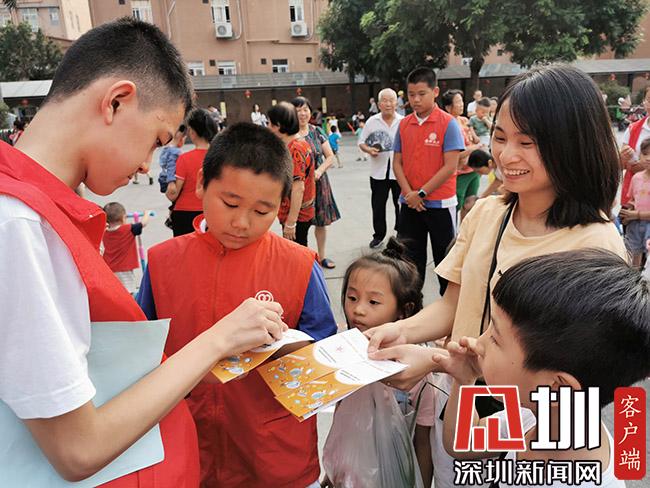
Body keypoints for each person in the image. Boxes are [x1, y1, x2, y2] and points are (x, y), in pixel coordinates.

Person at [0, 17, 287, 486]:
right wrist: (220, 338)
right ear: (116, 101)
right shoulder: (19, 225)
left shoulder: (37, 213)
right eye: (156, 140)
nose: (144, 167)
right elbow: (78, 448)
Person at [366, 65, 625, 488]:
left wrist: (435, 363)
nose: (506, 156)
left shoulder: (594, 247)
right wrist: (398, 332)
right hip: (463, 403)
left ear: (573, 147)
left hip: (538, 434)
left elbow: (576, 382)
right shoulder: (488, 214)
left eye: (528, 143)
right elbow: (454, 303)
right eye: (501, 137)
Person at [137, 122, 338, 488]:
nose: (242, 222)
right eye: (229, 203)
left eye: (262, 212)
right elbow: (139, 352)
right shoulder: (163, 262)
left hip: (271, 450)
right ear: (201, 184)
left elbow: (322, 354)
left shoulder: (299, 264)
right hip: (187, 445)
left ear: (281, 206)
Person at [433, 249, 650, 488]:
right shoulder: (535, 416)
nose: (478, 344)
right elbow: (462, 444)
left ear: (556, 387)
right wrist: (464, 381)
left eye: (495, 337)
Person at [322, 237, 435, 488]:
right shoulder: (343, 352)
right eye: (352, 298)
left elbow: (423, 441)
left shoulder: (416, 372)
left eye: (373, 302)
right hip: (348, 476)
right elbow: (342, 421)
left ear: (403, 311)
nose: (358, 310)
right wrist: (331, 470)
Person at [393, 68, 465, 293]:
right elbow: (397, 163)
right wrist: (409, 195)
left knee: (445, 260)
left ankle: (448, 314)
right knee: (409, 261)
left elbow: (450, 166)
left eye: (421, 93)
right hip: (410, 205)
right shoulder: (404, 124)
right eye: (411, 94)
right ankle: (412, 309)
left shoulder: (448, 123)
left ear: (435, 92)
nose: (415, 99)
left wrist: (420, 193)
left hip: (439, 204)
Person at [292, 96, 341, 269]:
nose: (302, 114)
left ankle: (321, 257)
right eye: (298, 111)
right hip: (297, 185)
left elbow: (330, 157)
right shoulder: (289, 134)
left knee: (321, 222)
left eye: (305, 109)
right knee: (298, 225)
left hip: (319, 183)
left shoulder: (317, 131)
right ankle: (301, 259)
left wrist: (319, 171)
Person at [359, 88, 403, 249]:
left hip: (399, 173)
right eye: (384, 100)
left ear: (396, 103)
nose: (388, 104)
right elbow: (362, 142)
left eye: (391, 100)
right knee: (378, 206)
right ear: (379, 104)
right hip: (378, 172)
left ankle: (401, 233)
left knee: (400, 204)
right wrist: (369, 150)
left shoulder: (403, 121)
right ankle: (378, 235)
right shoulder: (372, 122)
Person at [267, 101, 316, 246]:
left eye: (270, 124)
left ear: (279, 126)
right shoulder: (296, 144)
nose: (268, 128)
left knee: (297, 254)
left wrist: (291, 223)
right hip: (295, 212)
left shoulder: (295, 150)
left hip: (297, 215)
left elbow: (298, 188)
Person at [166, 108, 217, 237]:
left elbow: (172, 194)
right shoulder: (220, 158)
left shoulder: (184, 159)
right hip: (212, 213)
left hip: (184, 215)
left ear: (193, 132)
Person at [440, 89, 482, 222]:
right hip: (459, 173)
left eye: (461, 101)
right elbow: (454, 155)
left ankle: (464, 233)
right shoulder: (447, 125)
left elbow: (475, 139)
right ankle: (452, 234)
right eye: (457, 102)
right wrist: (474, 148)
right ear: (448, 107)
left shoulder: (465, 120)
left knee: (470, 204)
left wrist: (476, 141)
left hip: (473, 170)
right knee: (456, 205)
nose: (461, 104)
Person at [102, 202, 150, 294]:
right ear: (123, 218)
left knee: (116, 291)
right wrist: (146, 214)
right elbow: (143, 223)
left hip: (110, 268)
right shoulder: (128, 229)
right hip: (125, 269)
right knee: (128, 292)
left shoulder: (105, 232)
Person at [620, 138, 650, 267]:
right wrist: (628, 210)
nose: (648, 158)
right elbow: (633, 199)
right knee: (634, 252)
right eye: (645, 154)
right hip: (635, 225)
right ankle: (635, 279)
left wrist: (636, 214)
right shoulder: (636, 178)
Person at [619, 85, 650, 207]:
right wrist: (624, 158)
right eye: (649, 99)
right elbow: (622, 163)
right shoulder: (633, 128)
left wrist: (641, 167)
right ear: (644, 102)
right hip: (633, 197)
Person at [157, 124, 185, 193]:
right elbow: (171, 167)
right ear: (181, 139)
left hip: (163, 178)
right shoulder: (175, 152)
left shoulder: (166, 149)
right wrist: (171, 182)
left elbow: (162, 163)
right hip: (172, 181)